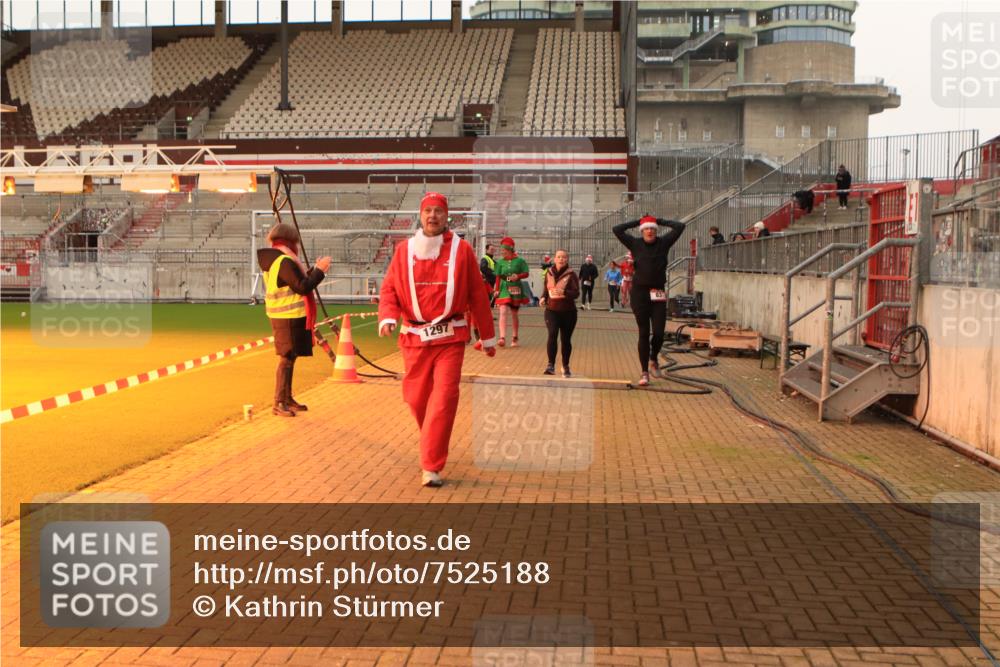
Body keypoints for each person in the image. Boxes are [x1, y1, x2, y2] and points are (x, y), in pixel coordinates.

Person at [378, 192, 496, 488]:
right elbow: (390, 288)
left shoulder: (463, 250)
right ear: (421, 215)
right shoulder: (404, 250)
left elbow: (477, 295)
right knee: (417, 399)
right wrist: (388, 316)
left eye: (438, 212)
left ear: (447, 216)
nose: (433, 216)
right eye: (428, 211)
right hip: (414, 338)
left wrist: (488, 335)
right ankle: (432, 436)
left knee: (443, 400)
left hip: (450, 337)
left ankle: (431, 465)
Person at [257, 223, 331, 417]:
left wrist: (313, 270)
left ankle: (286, 398)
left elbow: (293, 282)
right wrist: (320, 271)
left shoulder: (277, 259)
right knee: (287, 358)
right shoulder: (284, 261)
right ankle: (279, 401)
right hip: (288, 317)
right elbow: (302, 286)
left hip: (286, 316)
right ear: (291, 241)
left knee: (290, 357)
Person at [613, 214, 686, 386]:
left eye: (652, 229)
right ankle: (644, 372)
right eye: (646, 229)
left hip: (658, 292)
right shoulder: (635, 244)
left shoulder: (664, 242)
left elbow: (680, 226)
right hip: (640, 294)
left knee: (659, 333)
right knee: (644, 333)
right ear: (642, 231)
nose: (649, 231)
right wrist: (638, 221)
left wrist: (659, 220)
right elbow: (617, 230)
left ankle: (654, 358)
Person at [539, 249, 580, 377]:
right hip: (552, 311)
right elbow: (546, 288)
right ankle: (550, 365)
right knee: (552, 334)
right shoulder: (549, 273)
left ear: (567, 259)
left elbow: (576, 293)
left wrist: (565, 293)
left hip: (568, 312)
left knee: (565, 340)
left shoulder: (571, 274)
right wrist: (543, 297)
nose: (561, 259)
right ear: (554, 259)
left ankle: (565, 366)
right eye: (559, 257)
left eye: (564, 257)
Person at [493, 236, 530, 347]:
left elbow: (526, 273)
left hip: (515, 287)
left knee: (514, 313)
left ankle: (515, 336)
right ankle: (502, 337)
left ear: (510, 250)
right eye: (501, 250)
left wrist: (518, 276)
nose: (502, 252)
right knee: (503, 310)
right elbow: (498, 277)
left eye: (504, 250)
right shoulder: (499, 262)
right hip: (504, 287)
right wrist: (496, 290)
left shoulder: (520, 261)